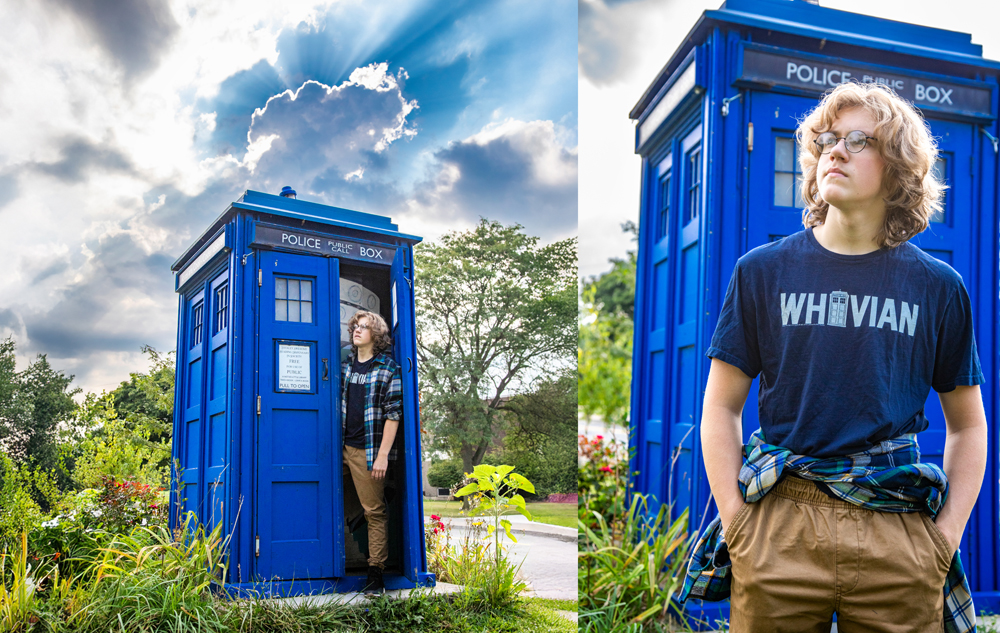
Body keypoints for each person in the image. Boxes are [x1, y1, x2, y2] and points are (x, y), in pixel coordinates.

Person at [680, 81, 987, 633]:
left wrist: (943, 541)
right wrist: (737, 523)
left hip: (897, 523)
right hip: (779, 523)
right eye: (825, 140)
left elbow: (969, 426)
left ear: (898, 167)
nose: (835, 151)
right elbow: (720, 409)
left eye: (858, 140)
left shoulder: (939, 287)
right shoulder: (761, 272)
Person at [341, 310, 402, 595]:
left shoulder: (388, 368)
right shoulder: (344, 363)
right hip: (338, 447)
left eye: (364, 327)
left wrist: (381, 456)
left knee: (374, 512)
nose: (357, 330)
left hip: (367, 451)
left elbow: (393, 414)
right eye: (356, 326)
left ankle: (375, 573)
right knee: (336, 501)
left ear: (375, 336)